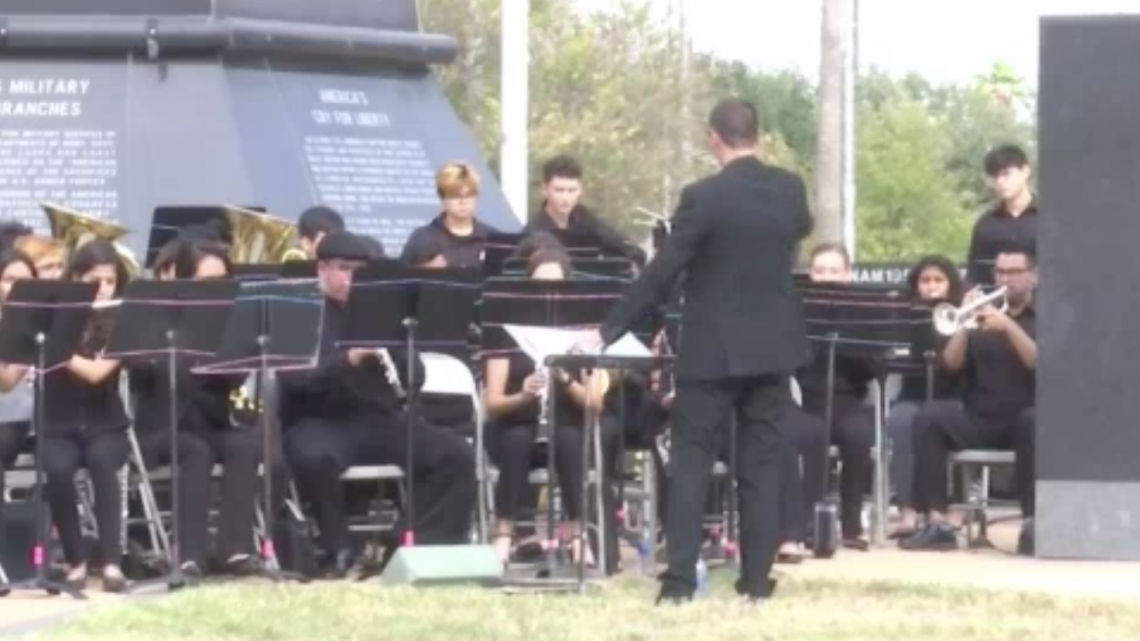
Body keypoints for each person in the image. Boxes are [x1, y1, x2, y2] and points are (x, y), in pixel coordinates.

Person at [583, 98, 813, 603]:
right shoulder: (789, 189)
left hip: (712, 349)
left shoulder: (703, 197)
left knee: (691, 462)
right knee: (761, 464)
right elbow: (799, 230)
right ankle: (756, 581)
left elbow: (664, 269)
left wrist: (608, 329)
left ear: (714, 138)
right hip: (773, 347)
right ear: (758, 135)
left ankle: (680, 583)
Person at [280, 231, 476, 577]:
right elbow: (295, 379)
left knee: (456, 454)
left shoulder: (379, 311)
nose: (352, 278)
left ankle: (406, 546)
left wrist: (403, 350)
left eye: (360, 271)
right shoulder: (299, 310)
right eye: (344, 269)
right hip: (320, 420)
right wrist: (348, 360)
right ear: (322, 269)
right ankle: (337, 549)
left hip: (377, 418)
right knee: (312, 456)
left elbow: (414, 377)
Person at [130, 240, 264, 577]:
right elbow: (152, 372)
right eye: (208, 282)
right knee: (196, 451)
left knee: (244, 445)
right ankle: (190, 556)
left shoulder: (233, 322)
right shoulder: (156, 316)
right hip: (162, 429)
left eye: (223, 280)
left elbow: (236, 378)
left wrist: (229, 352)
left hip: (212, 422)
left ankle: (234, 549)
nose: (218, 290)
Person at [483, 246, 617, 567]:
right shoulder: (506, 333)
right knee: (516, 441)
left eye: (556, 287)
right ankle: (503, 534)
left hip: (564, 425)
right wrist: (524, 396)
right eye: (539, 286)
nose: (547, 295)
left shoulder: (584, 336)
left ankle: (577, 535)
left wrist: (565, 377)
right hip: (514, 424)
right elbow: (493, 404)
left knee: (571, 441)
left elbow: (595, 403)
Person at [901, 248, 1037, 554]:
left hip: (1021, 420)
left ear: (1033, 276)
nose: (1006, 278)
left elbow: (1041, 364)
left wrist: (1008, 327)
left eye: (1014, 272)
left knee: (1035, 422)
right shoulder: (980, 317)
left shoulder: (1041, 317)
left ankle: (1032, 525)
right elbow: (949, 364)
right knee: (929, 416)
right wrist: (963, 321)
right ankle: (938, 523)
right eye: (1000, 272)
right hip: (979, 418)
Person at [40, 241, 132, 592]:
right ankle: (75, 560)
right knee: (57, 469)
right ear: (75, 277)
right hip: (57, 425)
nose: (103, 288)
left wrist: (51, 346)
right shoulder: (50, 315)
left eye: (110, 281)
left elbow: (97, 373)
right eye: (95, 280)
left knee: (102, 462)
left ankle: (111, 562)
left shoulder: (122, 321)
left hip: (106, 424)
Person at [788, 243, 878, 549]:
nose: (827, 277)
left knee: (858, 434)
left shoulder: (865, 313)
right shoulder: (795, 311)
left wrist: (852, 341)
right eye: (820, 271)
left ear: (848, 275)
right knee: (812, 435)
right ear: (810, 274)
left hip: (848, 400)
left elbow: (875, 369)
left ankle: (851, 524)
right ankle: (812, 522)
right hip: (804, 400)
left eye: (834, 271)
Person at [889, 255, 964, 538]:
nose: (931, 286)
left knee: (948, 423)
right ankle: (907, 507)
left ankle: (954, 505)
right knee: (900, 421)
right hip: (913, 394)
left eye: (938, 280)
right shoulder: (906, 315)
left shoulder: (963, 314)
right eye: (925, 280)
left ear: (950, 284)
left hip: (953, 396)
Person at [525, 155, 647, 267]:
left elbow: (618, 242)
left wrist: (634, 256)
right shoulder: (533, 230)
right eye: (559, 190)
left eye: (572, 190)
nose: (566, 198)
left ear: (580, 190)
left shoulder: (584, 218)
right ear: (544, 190)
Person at [0, 249, 37, 580]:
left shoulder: (37, 323)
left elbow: (8, 383)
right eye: (8, 279)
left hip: (22, 418)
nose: (14, 288)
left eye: (23, 281)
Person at [401, 162, 498, 270]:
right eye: (455, 196)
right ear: (442, 198)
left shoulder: (493, 240)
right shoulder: (422, 239)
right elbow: (400, 280)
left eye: (469, 195)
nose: (463, 201)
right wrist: (427, 272)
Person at [966, 145, 1037, 287]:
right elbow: (975, 275)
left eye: (1006, 174)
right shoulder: (985, 225)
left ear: (1025, 171)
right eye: (994, 177)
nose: (1000, 182)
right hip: (995, 306)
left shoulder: (1053, 221)